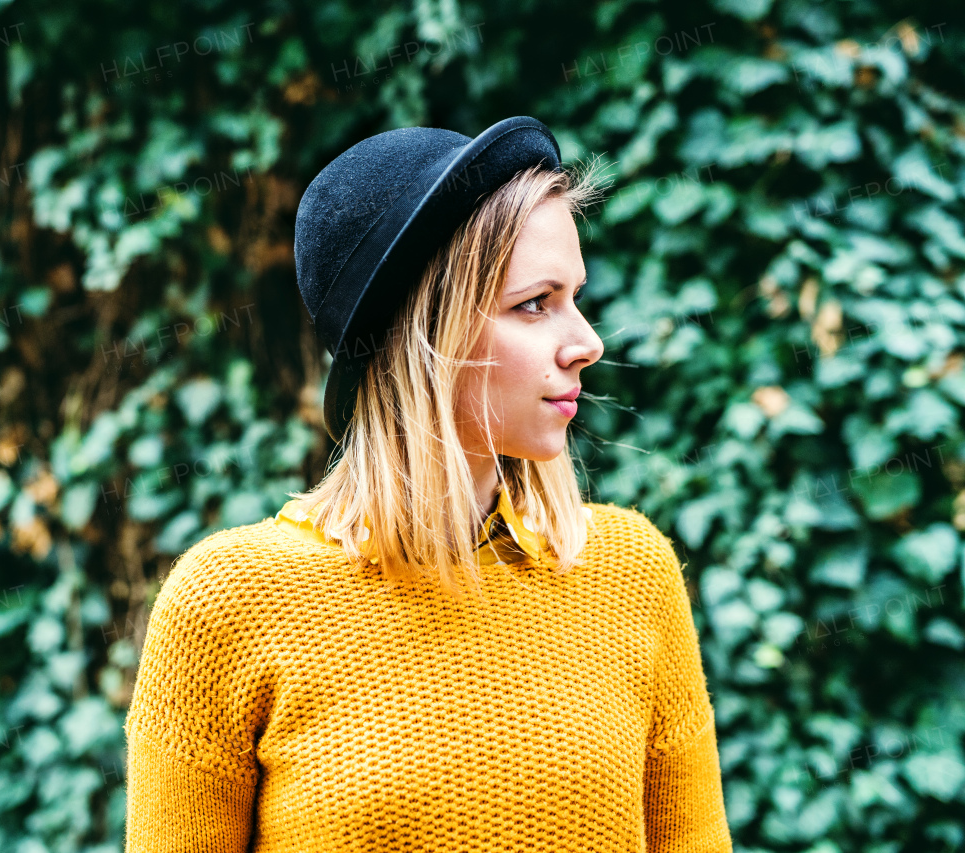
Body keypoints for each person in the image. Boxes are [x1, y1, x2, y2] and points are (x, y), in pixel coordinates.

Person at [123, 116, 732, 851]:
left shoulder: (632, 574)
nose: (587, 342)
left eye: (575, 295)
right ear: (429, 335)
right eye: (534, 303)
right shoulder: (228, 602)